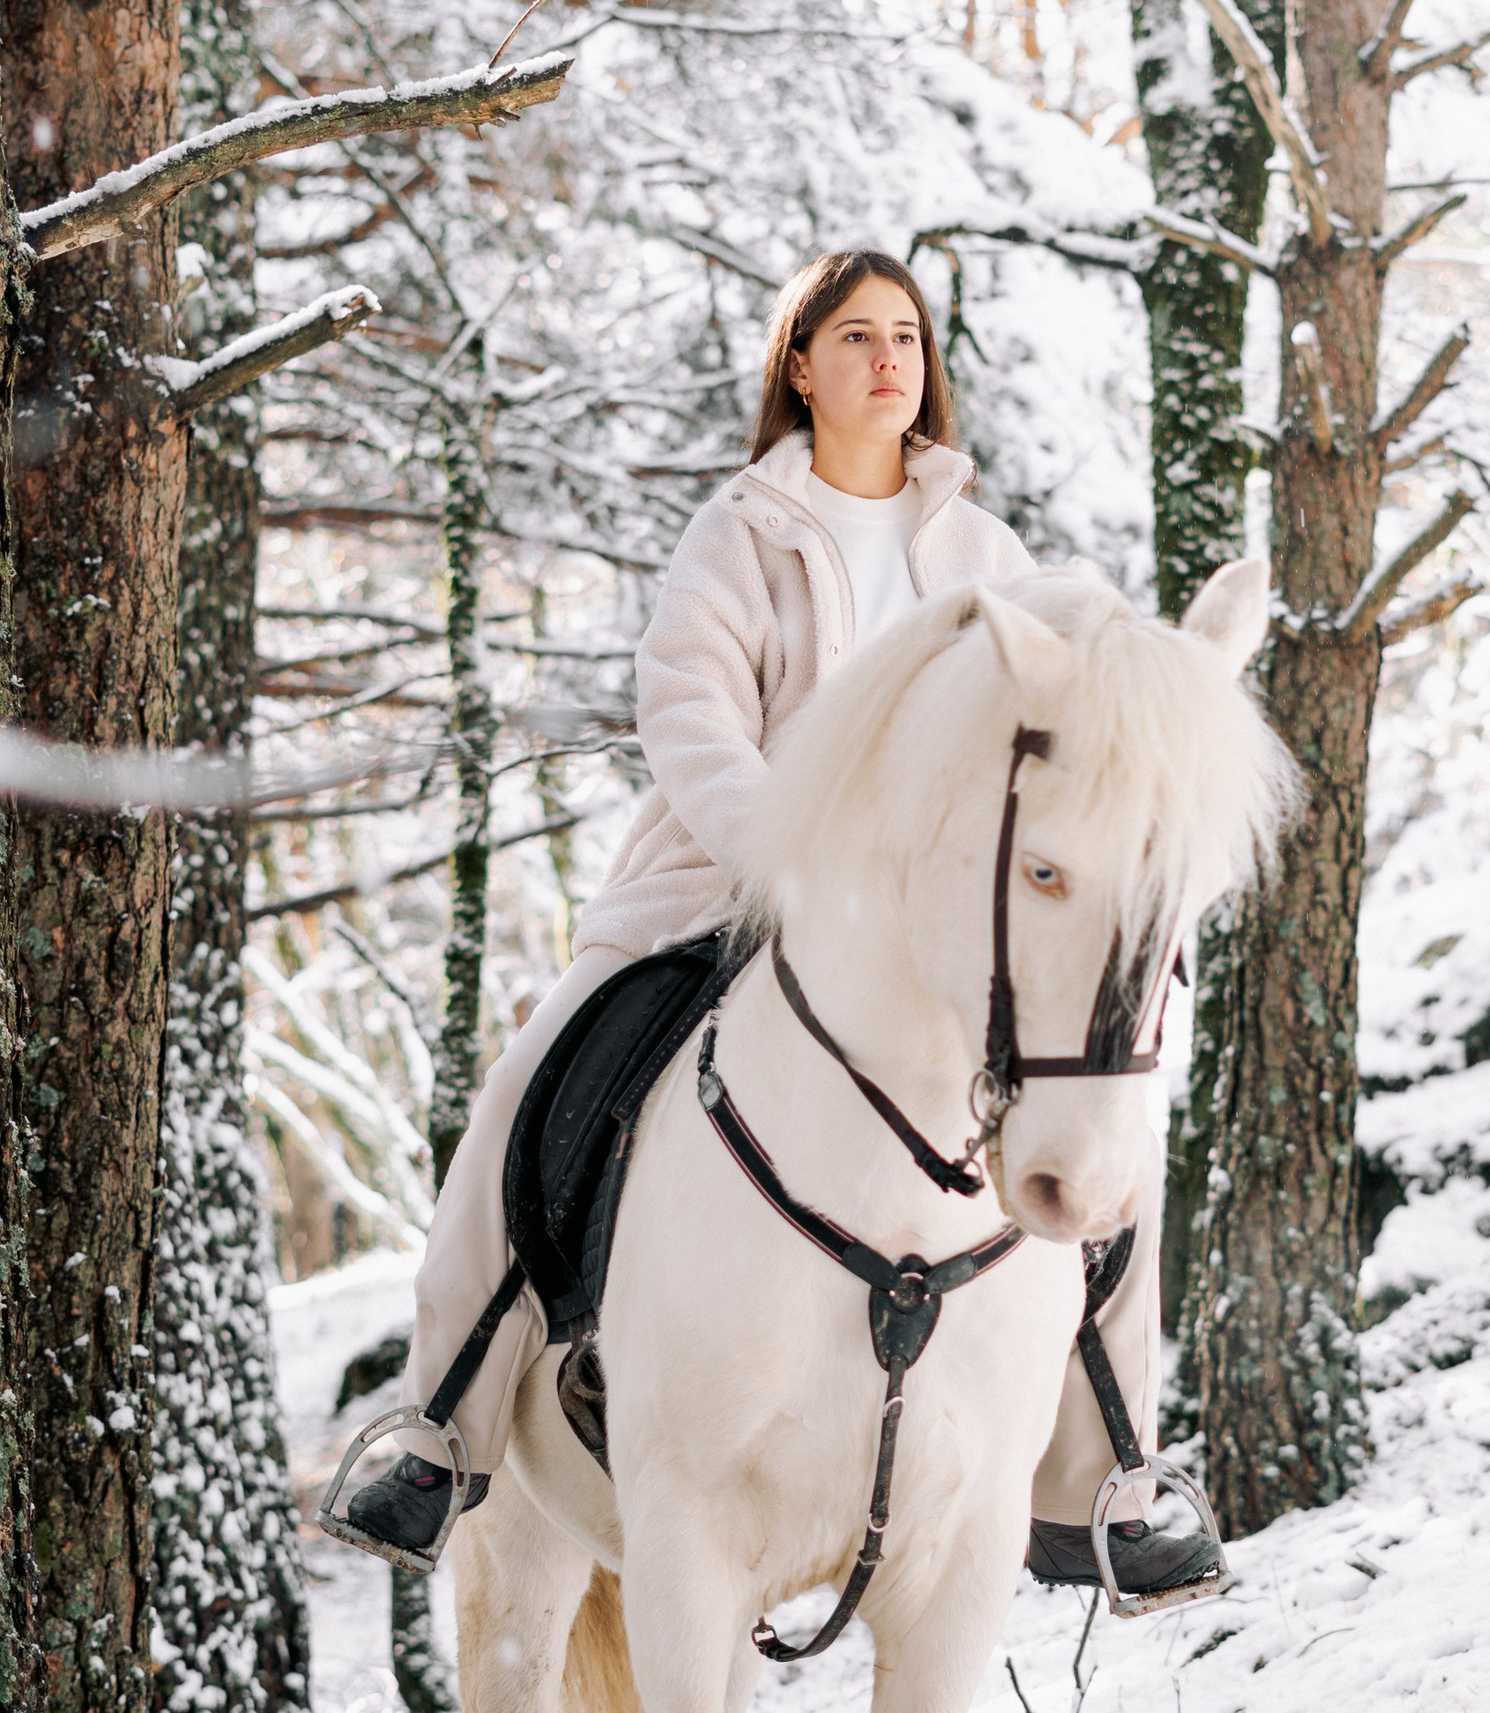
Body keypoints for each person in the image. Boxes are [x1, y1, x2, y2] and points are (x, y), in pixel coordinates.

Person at [326, 244, 1213, 1603]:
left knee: (1107, 1142)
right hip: (727, 894)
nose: (886, 361)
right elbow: (688, 709)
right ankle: (440, 1424)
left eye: (906, 337)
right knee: (531, 1089)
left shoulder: (987, 556)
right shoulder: (742, 527)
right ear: (799, 365)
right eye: (854, 336)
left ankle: (1111, 1478)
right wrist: (787, 861)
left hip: (933, 937)